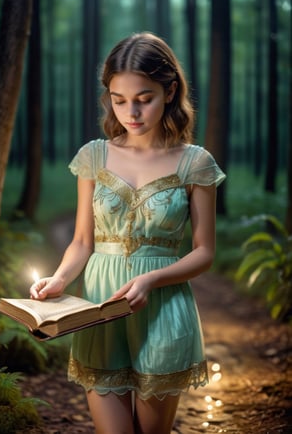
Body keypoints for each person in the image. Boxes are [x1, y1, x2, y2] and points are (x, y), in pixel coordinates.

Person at [30, 32, 226, 434]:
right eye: (119, 100)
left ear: (170, 91)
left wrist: (152, 278)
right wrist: (60, 279)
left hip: (163, 307)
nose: (130, 112)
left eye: (144, 98)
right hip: (100, 306)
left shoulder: (195, 163)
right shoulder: (94, 156)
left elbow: (204, 251)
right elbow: (83, 241)